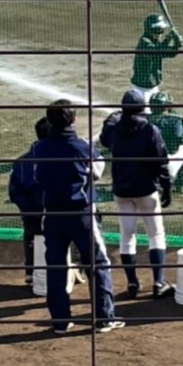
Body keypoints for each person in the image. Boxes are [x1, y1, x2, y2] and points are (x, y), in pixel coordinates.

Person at [34, 100, 123, 336]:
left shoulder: (40, 148)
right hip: (81, 213)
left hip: (52, 214)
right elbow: (97, 173)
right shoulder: (81, 146)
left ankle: (61, 322)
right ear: (73, 120)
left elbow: (38, 178)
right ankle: (104, 318)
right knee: (98, 263)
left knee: (56, 267)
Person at [100, 88, 173, 299]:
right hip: (146, 190)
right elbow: (161, 161)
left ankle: (132, 283)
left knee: (127, 235)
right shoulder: (150, 130)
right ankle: (159, 282)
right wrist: (166, 187)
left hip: (122, 191)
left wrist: (112, 117)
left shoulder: (115, 129)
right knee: (156, 235)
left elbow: (105, 138)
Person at [8, 116, 50, 286]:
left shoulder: (22, 161)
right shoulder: (62, 156)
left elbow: (14, 191)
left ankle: (31, 271)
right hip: (55, 212)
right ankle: (76, 267)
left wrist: (28, 209)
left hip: (33, 213)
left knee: (31, 235)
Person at [149, 91, 183, 193]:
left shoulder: (142, 120)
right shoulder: (175, 120)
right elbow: (178, 138)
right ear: (167, 106)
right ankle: (181, 183)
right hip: (166, 166)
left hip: (143, 165)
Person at [131, 13, 183, 101]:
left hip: (153, 88)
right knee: (144, 114)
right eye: (159, 30)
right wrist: (169, 37)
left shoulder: (154, 42)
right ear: (151, 30)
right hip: (141, 91)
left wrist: (177, 45)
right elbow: (158, 52)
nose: (161, 34)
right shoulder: (144, 44)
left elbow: (170, 53)